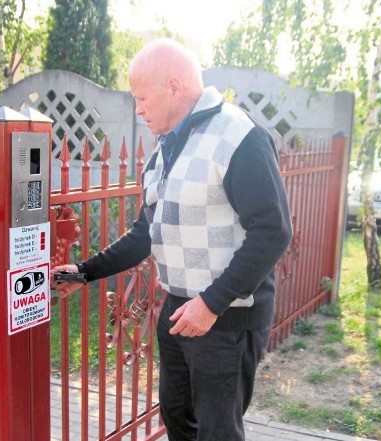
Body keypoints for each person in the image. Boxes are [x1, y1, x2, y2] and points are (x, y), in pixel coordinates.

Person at [52, 38, 293, 441]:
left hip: (227, 317)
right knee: (179, 420)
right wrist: (84, 272)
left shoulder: (239, 136)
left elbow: (273, 230)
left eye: (141, 97)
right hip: (180, 310)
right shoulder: (165, 149)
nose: (138, 108)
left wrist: (212, 303)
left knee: (218, 432)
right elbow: (147, 233)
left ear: (174, 87)